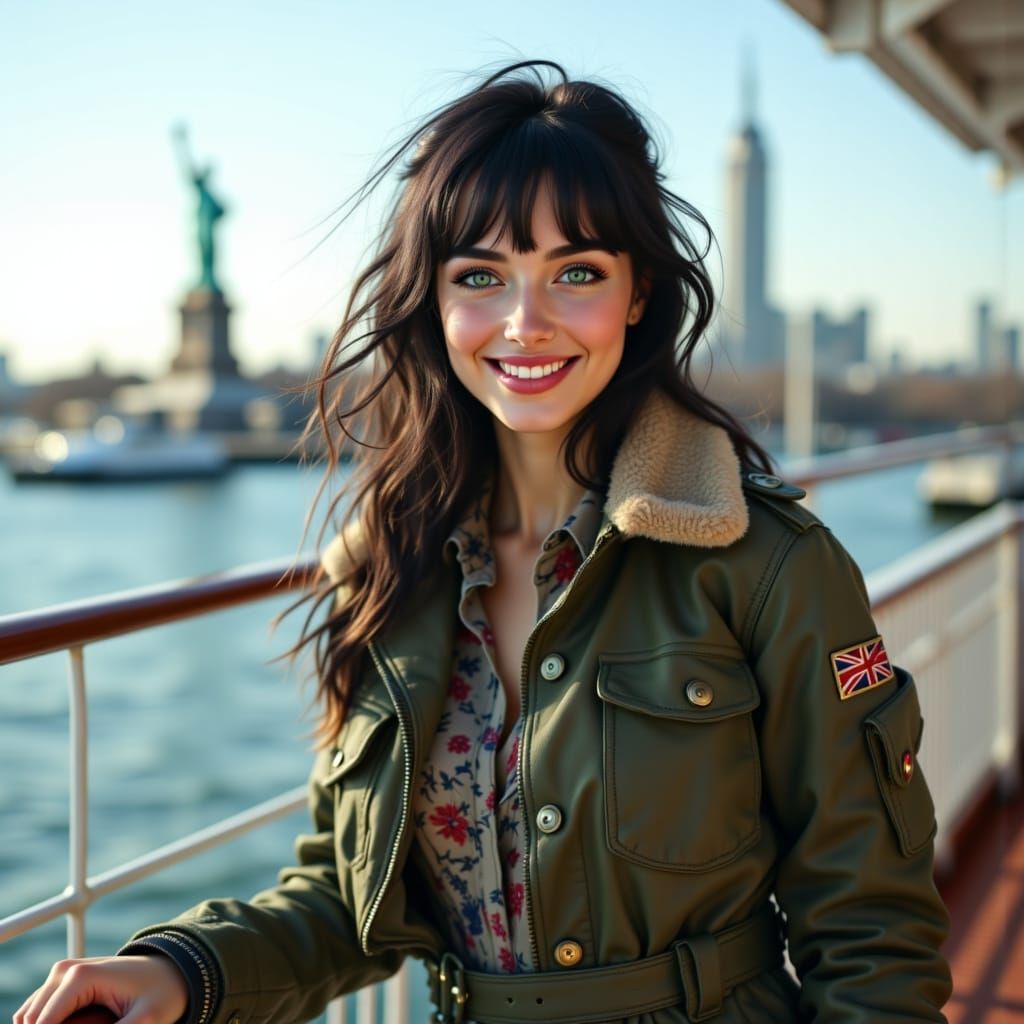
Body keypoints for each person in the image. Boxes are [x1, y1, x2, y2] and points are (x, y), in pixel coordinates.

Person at [16, 60, 952, 1024]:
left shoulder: (766, 565)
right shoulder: (391, 573)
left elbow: (871, 931)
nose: (525, 322)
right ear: (433, 299)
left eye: (575, 272)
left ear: (638, 294)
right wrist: (180, 970)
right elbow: (348, 899)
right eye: (480, 276)